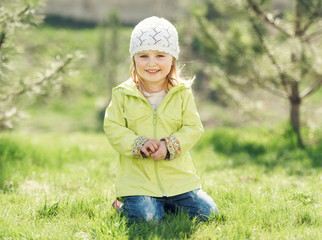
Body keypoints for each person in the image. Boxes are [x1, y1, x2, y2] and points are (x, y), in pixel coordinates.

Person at [103, 16, 219, 222]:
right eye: (144, 56)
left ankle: (165, 206)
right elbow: (113, 127)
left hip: (179, 181)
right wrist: (138, 144)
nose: (152, 63)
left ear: (172, 58)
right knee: (147, 219)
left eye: (160, 55)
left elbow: (193, 127)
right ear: (134, 59)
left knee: (207, 214)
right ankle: (125, 206)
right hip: (139, 182)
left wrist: (169, 146)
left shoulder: (182, 93)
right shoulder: (123, 94)